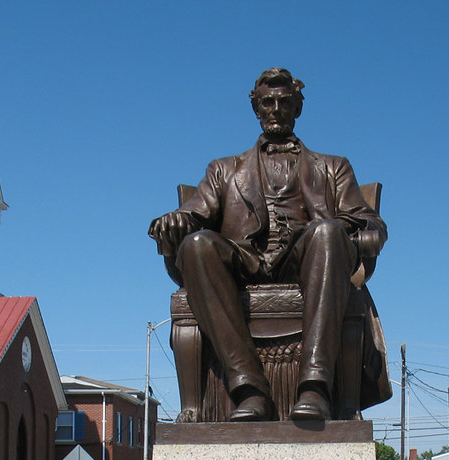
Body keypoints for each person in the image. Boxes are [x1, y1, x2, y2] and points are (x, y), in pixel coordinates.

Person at [148, 68, 388, 422]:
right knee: (197, 244)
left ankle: (315, 388)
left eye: (284, 102)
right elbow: (194, 214)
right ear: (256, 109)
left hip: (308, 258)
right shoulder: (225, 169)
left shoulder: (333, 167)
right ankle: (248, 388)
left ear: (298, 108)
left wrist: (366, 236)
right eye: (267, 103)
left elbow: (368, 220)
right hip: (244, 261)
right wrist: (173, 222)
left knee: (327, 232)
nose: (276, 109)